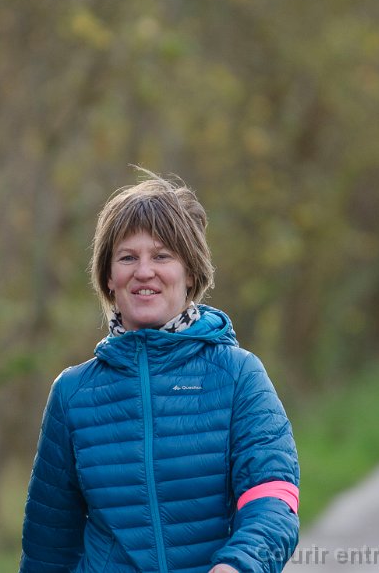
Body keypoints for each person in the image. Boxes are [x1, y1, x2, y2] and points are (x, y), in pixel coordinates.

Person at [19, 172, 299, 573]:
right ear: (109, 278)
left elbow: (272, 496)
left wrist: (241, 564)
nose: (144, 271)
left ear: (191, 272)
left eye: (162, 256)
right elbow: (47, 547)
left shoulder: (238, 375)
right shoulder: (72, 394)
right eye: (127, 258)